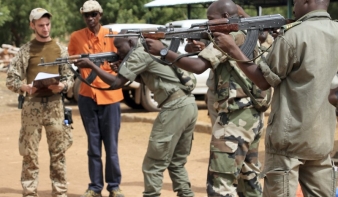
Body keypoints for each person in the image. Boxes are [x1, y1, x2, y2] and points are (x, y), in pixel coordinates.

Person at [211, 0, 338, 196]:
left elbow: (263, 81)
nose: (294, 7)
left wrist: (232, 49)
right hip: (323, 138)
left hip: (289, 140)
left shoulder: (294, 35)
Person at [145, 0, 266, 196]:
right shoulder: (243, 35)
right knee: (249, 181)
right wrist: (201, 48)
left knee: (221, 186)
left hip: (234, 119)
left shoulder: (230, 37)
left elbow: (199, 67)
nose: (207, 23)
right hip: (249, 115)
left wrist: (163, 51)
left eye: (211, 19)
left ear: (226, 18)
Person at [73, 34, 198, 197]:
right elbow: (148, 76)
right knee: (176, 162)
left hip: (175, 107)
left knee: (153, 163)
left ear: (131, 42)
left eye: (119, 47)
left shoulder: (139, 52)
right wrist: (122, 69)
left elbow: (116, 83)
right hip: (188, 105)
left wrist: (92, 65)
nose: (118, 52)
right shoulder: (148, 51)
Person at [6, 8, 74, 197]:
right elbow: (11, 80)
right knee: (29, 154)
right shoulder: (25, 50)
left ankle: (60, 192)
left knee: (59, 152)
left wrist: (62, 86)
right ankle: (29, 192)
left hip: (55, 107)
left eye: (47, 24)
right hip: (31, 107)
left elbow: (70, 77)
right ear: (32, 25)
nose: (45, 28)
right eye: (41, 25)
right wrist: (25, 87)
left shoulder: (60, 49)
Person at [67, 0, 124, 197]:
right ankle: (95, 187)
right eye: (86, 15)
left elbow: (122, 62)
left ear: (100, 15)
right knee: (93, 145)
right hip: (87, 96)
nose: (90, 18)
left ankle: (114, 186)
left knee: (112, 146)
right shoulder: (76, 37)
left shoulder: (113, 36)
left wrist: (116, 66)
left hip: (111, 96)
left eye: (94, 14)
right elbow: (72, 59)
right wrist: (82, 61)